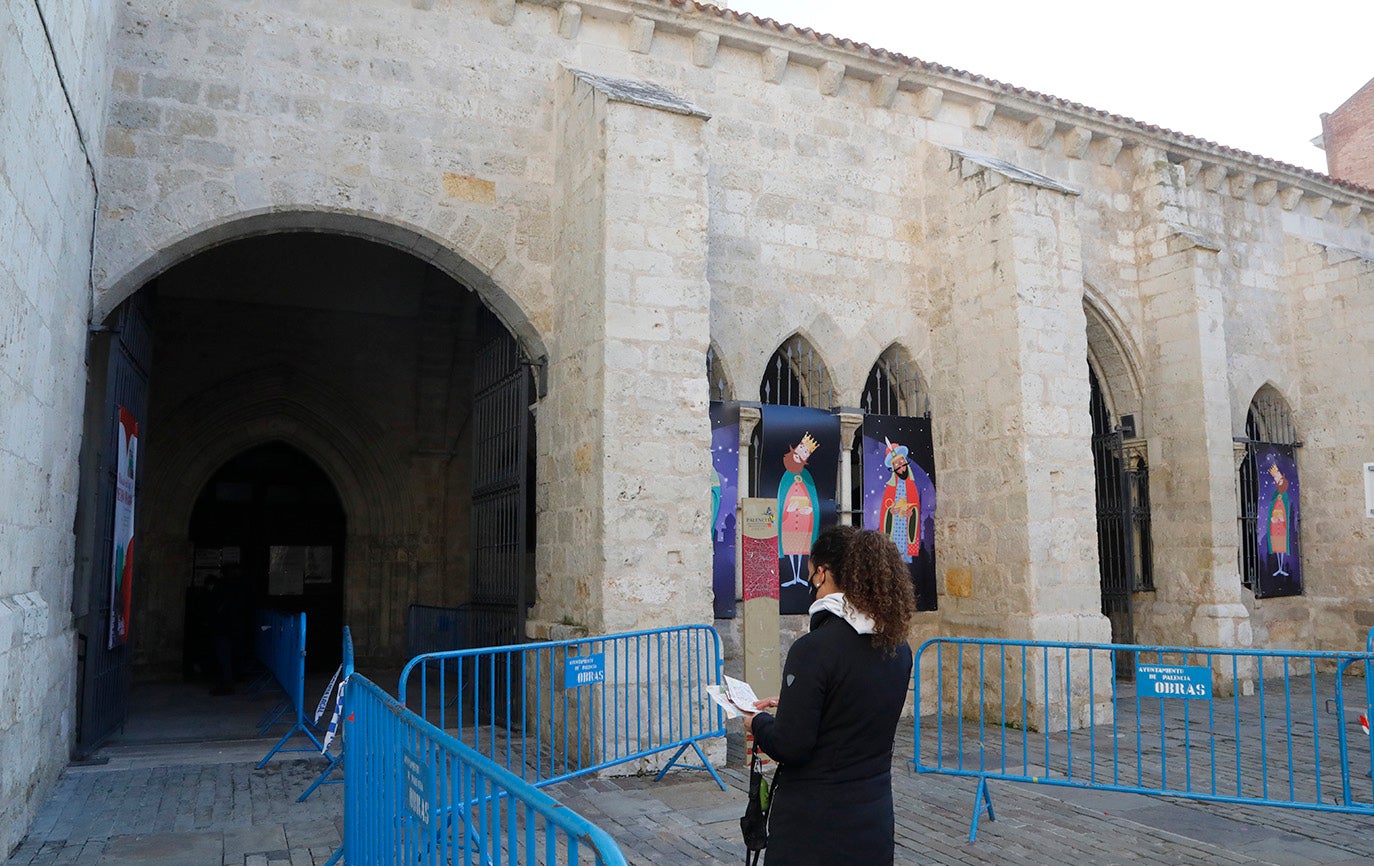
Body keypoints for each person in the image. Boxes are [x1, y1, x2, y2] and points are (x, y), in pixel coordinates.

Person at [744, 526, 916, 866]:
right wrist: (797, 705)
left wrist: (757, 721)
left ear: (822, 574)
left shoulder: (813, 650)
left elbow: (792, 745)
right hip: (873, 817)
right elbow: (855, 710)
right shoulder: (899, 647)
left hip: (814, 825)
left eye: (810, 575)